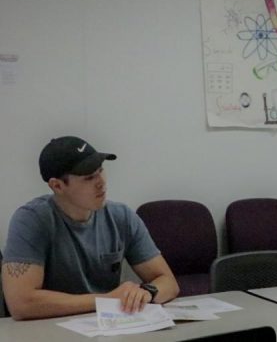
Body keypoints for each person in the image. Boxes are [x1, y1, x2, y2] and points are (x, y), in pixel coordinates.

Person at [2, 136, 179, 320]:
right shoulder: (31, 220)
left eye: (101, 170)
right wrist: (105, 300)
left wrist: (146, 292)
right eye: (89, 177)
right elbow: (21, 304)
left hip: (108, 327)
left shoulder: (121, 217)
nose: (101, 182)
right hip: (50, 330)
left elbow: (169, 283)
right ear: (58, 186)